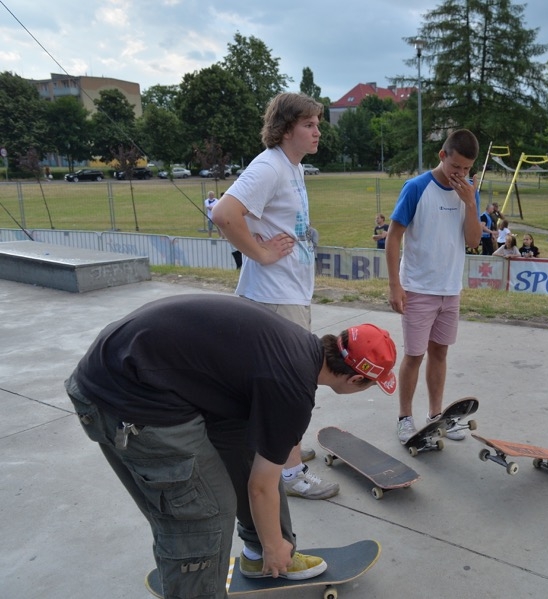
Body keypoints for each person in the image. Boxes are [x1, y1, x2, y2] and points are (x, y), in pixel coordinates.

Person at [64, 294, 397, 599]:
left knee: (248, 449)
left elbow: (260, 470)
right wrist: (273, 543)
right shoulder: (292, 389)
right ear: (356, 380)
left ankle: (258, 556)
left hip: (140, 368)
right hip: (126, 395)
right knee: (203, 513)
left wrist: (268, 543)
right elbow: (261, 488)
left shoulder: (296, 346)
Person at [212, 92, 336, 500]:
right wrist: (262, 252)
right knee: (290, 386)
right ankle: (292, 473)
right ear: (285, 129)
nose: (318, 131)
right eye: (309, 125)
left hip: (290, 291)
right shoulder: (269, 166)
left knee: (287, 382)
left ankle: (286, 452)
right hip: (274, 296)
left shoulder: (292, 167)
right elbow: (224, 214)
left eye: (318, 123)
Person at [385, 129, 483, 444]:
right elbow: (393, 236)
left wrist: (470, 202)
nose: (461, 174)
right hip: (417, 288)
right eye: (456, 167)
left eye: (467, 169)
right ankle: (404, 418)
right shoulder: (416, 187)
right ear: (442, 155)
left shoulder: (468, 191)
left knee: (440, 353)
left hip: (450, 288)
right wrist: (394, 285)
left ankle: (436, 416)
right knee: (414, 355)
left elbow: (473, 241)